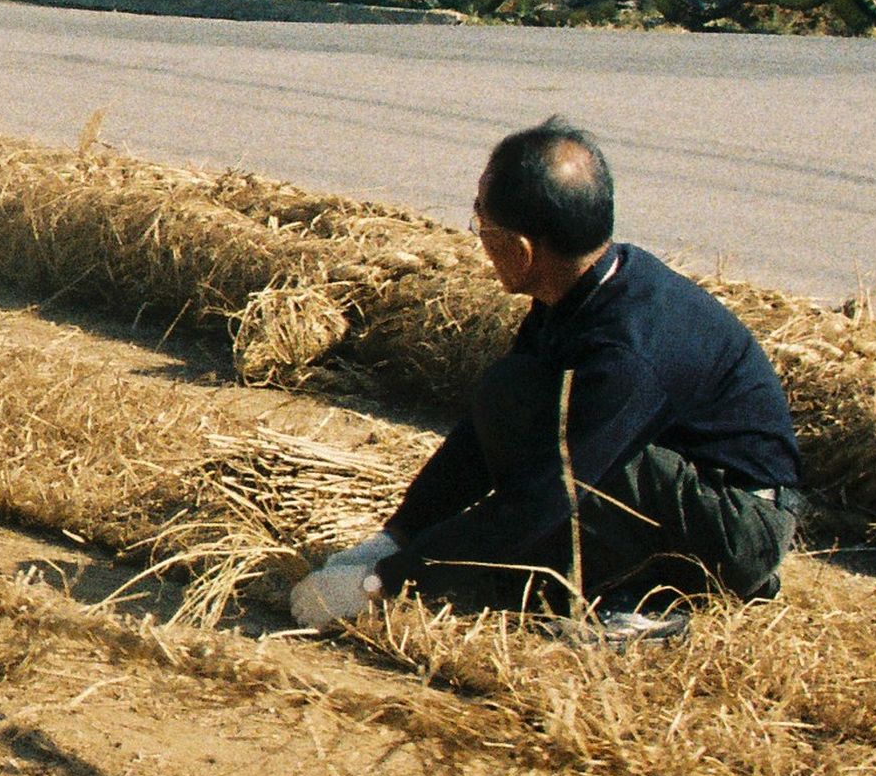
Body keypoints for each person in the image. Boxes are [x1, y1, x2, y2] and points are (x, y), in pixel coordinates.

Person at [291, 122, 804, 639]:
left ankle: (639, 598)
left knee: (560, 496)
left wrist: (382, 584)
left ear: (521, 249)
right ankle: (631, 572)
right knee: (514, 391)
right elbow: (481, 435)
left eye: (482, 227)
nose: (480, 241)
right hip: (684, 492)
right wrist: (398, 535)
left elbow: (540, 498)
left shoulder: (624, 351)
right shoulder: (582, 288)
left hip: (738, 526)